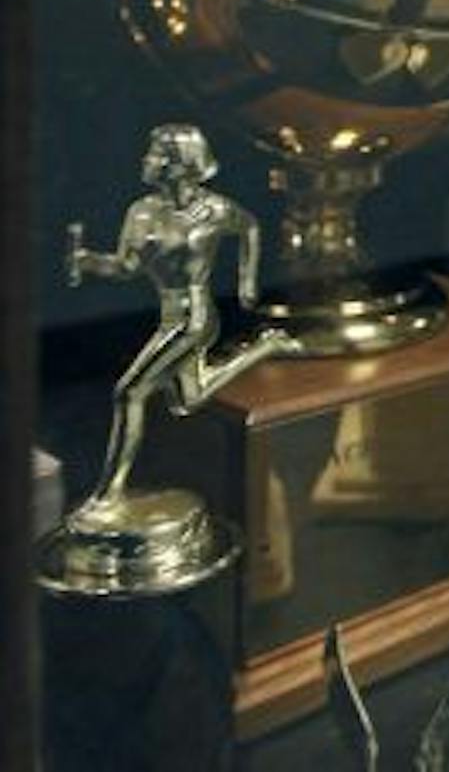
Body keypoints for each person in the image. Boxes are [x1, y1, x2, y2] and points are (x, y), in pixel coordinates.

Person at [66, 124, 294, 519]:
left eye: (156, 154)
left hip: (194, 318)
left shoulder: (214, 209)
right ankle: (264, 346)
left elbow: (250, 229)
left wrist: (246, 282)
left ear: (182, 165)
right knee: (187, 401)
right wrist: (87, 260)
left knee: (129, 393)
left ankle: (107, 496)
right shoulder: (141, 212)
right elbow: (126, 267)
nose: (146, 160)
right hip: (167, 316)